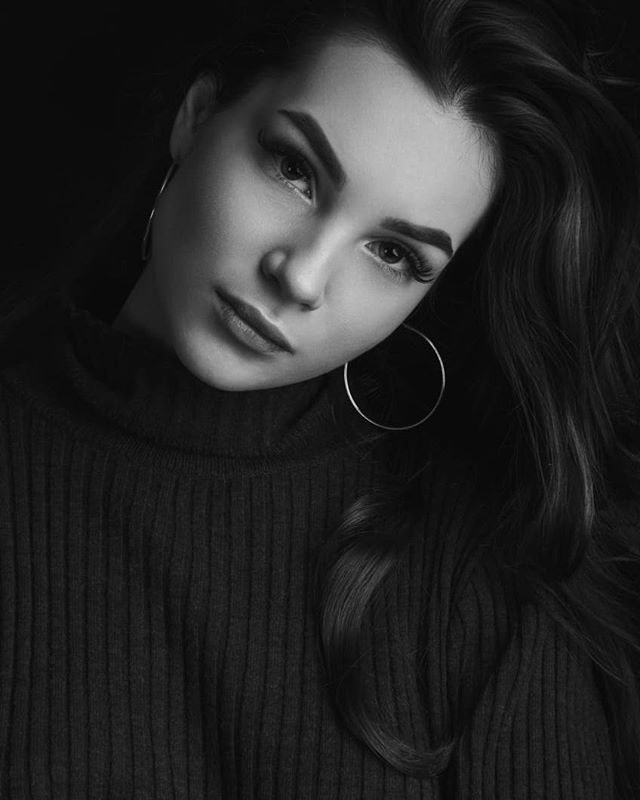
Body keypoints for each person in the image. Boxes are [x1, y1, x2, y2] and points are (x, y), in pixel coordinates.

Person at [1, 0, 639, 797]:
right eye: (294, 170)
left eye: (393, 253)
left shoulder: (476, 573)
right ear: (198, 115)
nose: (301, 277)